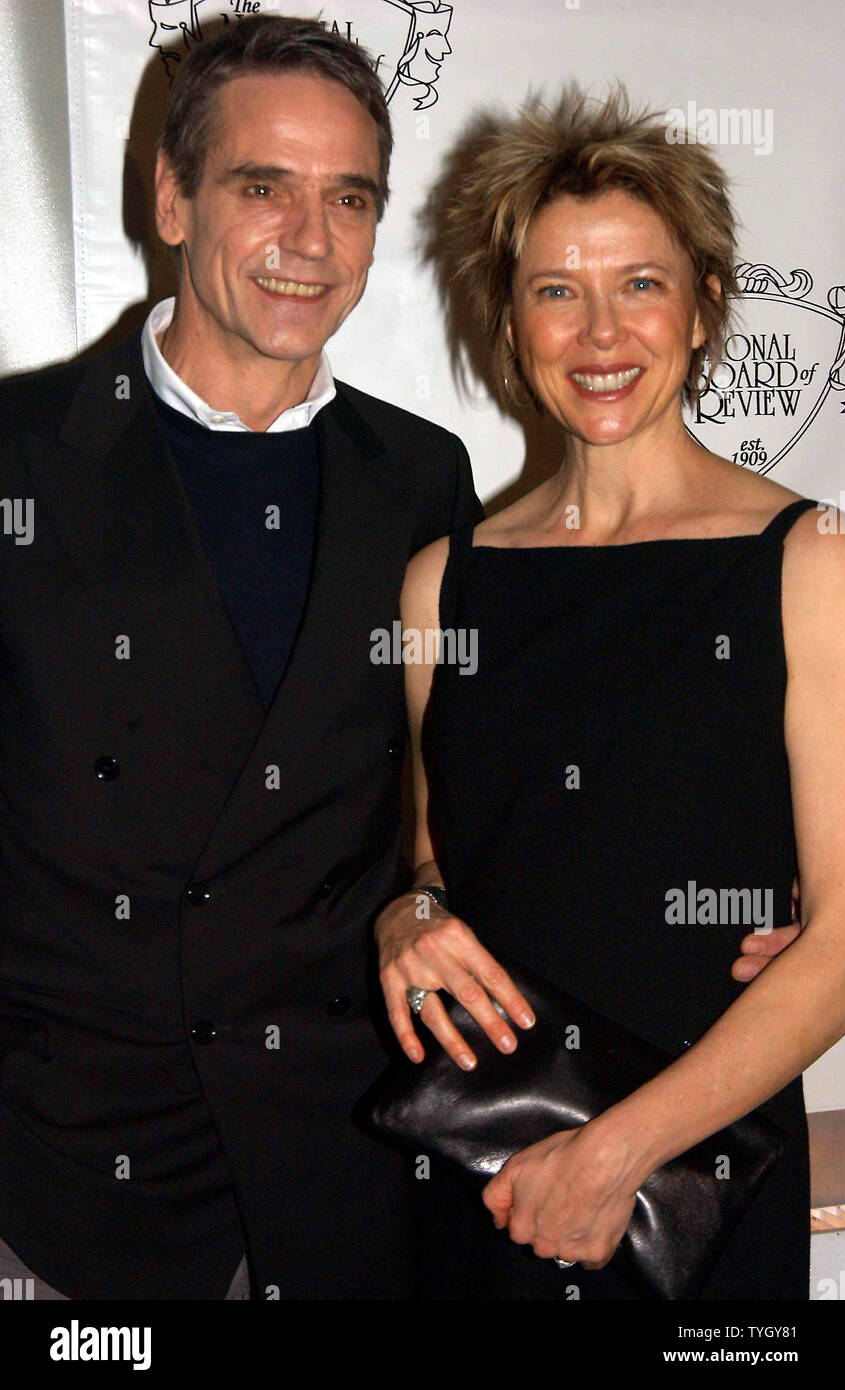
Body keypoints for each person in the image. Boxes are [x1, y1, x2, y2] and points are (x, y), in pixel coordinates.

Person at [0, 15, 486, 1301]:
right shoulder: (16, 455)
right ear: (171, 196)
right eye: (261, 186)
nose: (308, 241)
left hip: (333, 1172)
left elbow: (468, 791)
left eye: (347, 198)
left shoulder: (421, 478)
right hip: (60, 1191)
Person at [375, 86, 845, 1299]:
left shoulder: (808, 565)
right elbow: (434, 863)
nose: (597, 332)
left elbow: (841, 945)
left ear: (701, 308)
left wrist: (616, 1152)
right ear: (507, 319)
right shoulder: (445, 583)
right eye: (553, 289)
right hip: (483, 1172)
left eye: (639, 283)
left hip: (694, 1190)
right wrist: (409, 920)